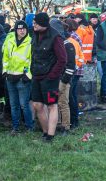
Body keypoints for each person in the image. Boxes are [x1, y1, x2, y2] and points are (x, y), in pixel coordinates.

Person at [30, 12, 67, 143]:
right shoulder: (34, 34)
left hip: (50, 78)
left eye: (36, 22)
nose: (33, 24)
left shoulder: (55, 37)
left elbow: (62, 59)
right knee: (37, 105)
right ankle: (45, 132)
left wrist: (52, 75)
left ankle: (50, 136)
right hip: (36, 76)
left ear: (43, 24)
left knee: (52, 105)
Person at [3, 20, 33, 134]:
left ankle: (29, 127)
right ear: (15, 30)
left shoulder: (30, 42)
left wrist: (27, 75)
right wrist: (4, 71)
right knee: (13, 104)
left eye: (24, 29)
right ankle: (15, 127)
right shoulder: (10, 41)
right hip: (10, 77)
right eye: (19, 29)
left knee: (24, 105)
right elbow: (5, 58)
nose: (22, 31)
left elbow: (32, 61)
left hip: (23, 78)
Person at [50, 19, 77, 136]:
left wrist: (63, 81)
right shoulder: (52, 44)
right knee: (52, 103)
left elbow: (71, 66)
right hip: (52, 80)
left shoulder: (68, 45)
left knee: (63, 103)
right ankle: (56, 124)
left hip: (63, 81)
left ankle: (65, 127)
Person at [65, 19, 85, 130]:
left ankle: (74, 119)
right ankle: (75, 118)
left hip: (74, 70)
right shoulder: (75, 36)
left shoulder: (72, 38)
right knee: (72, 94)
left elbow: (78, 55)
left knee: (71, 95)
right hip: (76, 69)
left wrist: (74, 67)